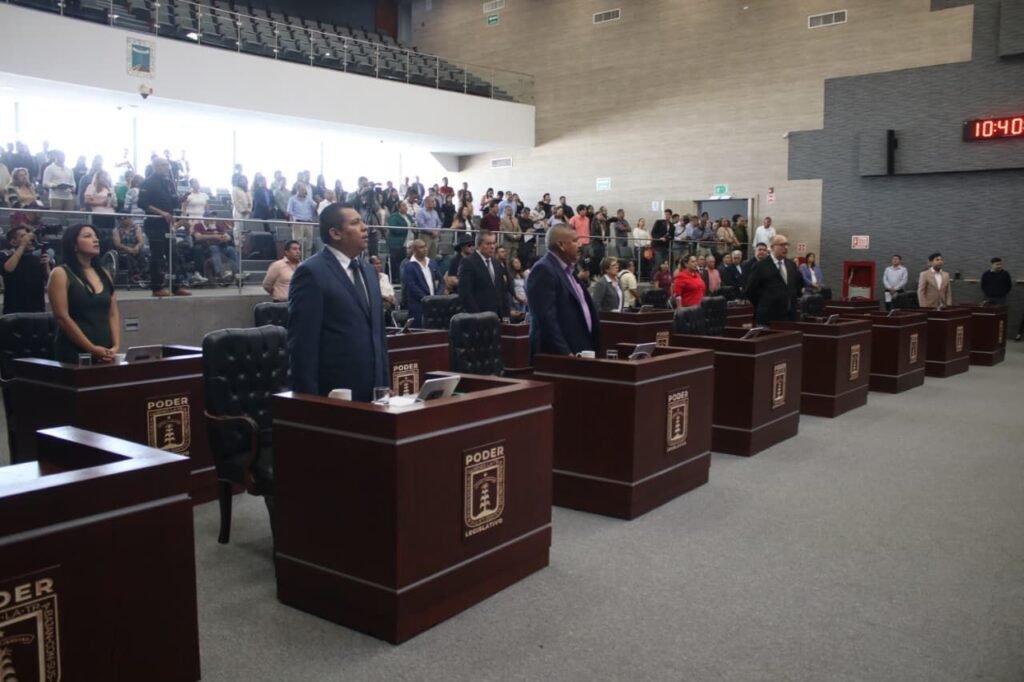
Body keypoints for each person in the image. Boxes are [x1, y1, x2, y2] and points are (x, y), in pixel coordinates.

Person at [288, 202, 389, 401]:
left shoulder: (369, 271)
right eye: (355, 223)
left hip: (375, 395)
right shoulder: (311, 273)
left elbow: (378, 335)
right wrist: (309, 403)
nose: (365, 227)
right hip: (335, 395)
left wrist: (385, 385)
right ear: (335, 233)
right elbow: (303, 346)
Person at [48, 224, 121, 364]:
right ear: (74, 245)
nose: (96, 240)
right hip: (75, 352)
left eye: (96, 236)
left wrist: (116, 346)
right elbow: (62, 317)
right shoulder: (60, 273)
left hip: (106, 351)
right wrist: (91, 348)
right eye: (88, 236)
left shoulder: (104, 273)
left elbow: (113, 313)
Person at [525, 225, 599, 358]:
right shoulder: (543, 270)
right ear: (561, 245)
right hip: (557, 355)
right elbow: (546, 320)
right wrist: (565, 353)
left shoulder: (569, 270)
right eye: (575, 241)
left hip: (579, 348)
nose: (580, 245)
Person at [139, 158, 190, 297]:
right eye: (164, 165)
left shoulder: (168, 182)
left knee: (173, 254)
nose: (167, 167)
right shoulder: (148, 182)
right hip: (154, 223)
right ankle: (157, 287)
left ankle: (175, 286)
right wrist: (161, 213)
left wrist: (181, 200)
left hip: (167, 224)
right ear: (156, 166)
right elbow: (142, 203)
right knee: (157, 256)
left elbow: (172, 201)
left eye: (167, 165)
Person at [744, 235, 804, 326]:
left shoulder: (791, 264)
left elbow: (796, 285)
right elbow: (750, 291)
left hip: (789, 317)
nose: (786, 247)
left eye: (787, 245)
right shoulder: (760, 266)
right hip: (768, 317)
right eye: (782, 245)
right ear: (772, 247)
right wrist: (764, 303)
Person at [458, 231, 511, 319]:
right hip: (478, 317)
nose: (492, 247)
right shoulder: (468, 262)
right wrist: (478, 317)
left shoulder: (496, 263)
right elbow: (466, 294)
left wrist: (506, 315)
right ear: (478, 245)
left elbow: (503, 292)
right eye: (488, 244)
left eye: (494, 243)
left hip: (498, 317)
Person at [1, 224, 50, 314]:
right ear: (13, 242)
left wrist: (46, 265)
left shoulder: (38, 260)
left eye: (29, 236)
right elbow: (8, 269)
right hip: (13, 313)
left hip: (37, 312)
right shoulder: (5, 257)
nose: (29, 239)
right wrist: (22, 245)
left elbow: (50, 281)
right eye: (23, 236)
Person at [401, 238, 444, 327]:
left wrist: (438, 297)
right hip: (419, 306)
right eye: (421, 247)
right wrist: (427, 299)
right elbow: (412, 286)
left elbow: (441, 281)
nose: (425, 249)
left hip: (435, 305)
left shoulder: (432, 263)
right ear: (414, 250)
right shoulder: (409, 266)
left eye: (425, 246)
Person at [112, 214, 146, 284]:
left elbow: (141, 242)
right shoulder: (116, 230)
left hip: (135, 249)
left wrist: (137, 247)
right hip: (123, 251)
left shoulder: (137, 228)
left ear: (130, 218)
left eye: (125, 218)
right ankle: (134, 275)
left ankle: (144, 274)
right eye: (120, 218)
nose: (123, 220)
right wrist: (128, 249)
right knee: (128, 256)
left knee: (142, 254)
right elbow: (117, 244)